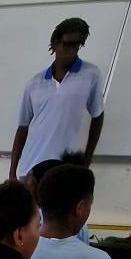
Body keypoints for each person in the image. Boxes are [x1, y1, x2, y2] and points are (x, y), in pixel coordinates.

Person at [9, 18, 105, 182]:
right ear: (54, 44)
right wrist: (12, 172)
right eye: (67, 44)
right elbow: (23, 128)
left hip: (64, 170)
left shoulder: (90, 74)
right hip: (30, 168)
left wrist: (86, 161)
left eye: (77, 45)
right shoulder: (35, 83)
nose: (72, 50)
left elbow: (98, 116)